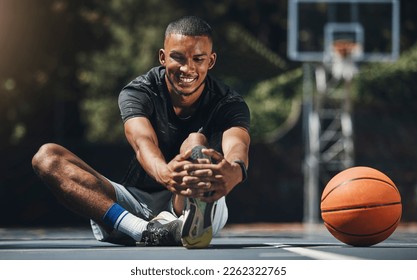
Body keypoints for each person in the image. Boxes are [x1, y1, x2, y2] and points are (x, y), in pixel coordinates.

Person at [32, 15, 250, 249]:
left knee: (195, 142)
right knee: (47, 158)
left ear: (211, 61)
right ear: (163, 57)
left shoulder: (228, 102)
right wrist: (165, 173)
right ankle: (144, 231)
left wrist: (234, 172)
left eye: (198, 59)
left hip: (191, 194)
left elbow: (237, 145)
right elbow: (142, 143)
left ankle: (185, 220)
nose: (188, 68)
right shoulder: (139, 92)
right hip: (135, 202)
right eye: (178, 57)